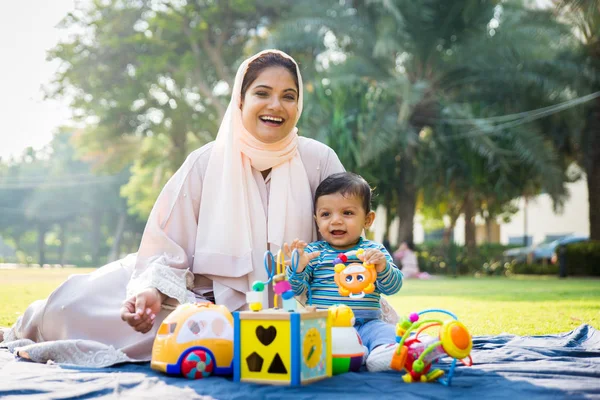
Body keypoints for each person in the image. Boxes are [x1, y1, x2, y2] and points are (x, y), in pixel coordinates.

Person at [0, 49, 347, 367]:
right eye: (262, 93)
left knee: (228, 340)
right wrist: (151, 291)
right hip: (197, 299)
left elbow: (343, 237)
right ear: (240, 100)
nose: (276, 106)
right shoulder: (206, 162)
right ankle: (28, 325)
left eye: (289, 96)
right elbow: (167, 244)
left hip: (294, 305)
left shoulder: (319, 160)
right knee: (72, 306)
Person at [284, 172, 404, 372]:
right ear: (316, 220)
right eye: (326, 214)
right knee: (309, 340)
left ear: (367, 219)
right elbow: (296, 289)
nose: (336, 221)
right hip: (328, 326)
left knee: (387, 333)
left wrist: (383, 267)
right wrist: (298, 268)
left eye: (347, 213)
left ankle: (380, 351)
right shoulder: (314, 253)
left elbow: (393, 287)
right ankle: (356, 352)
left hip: (368, 324)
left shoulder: (374, 252)